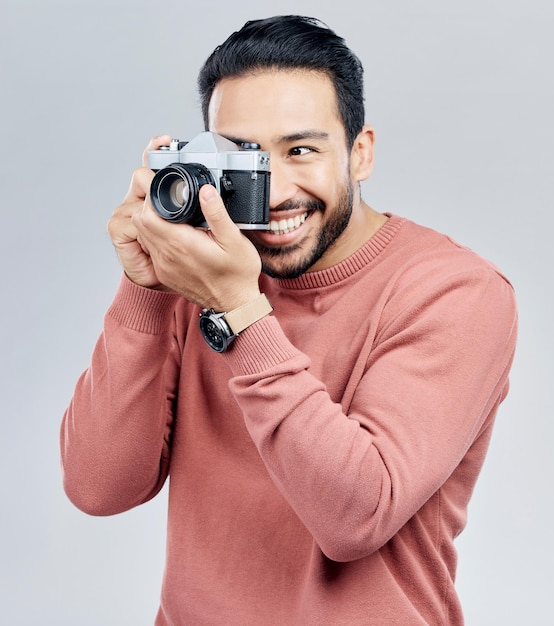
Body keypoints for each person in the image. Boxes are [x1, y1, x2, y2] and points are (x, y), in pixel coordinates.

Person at [60, 15, 518, 626]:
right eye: (243, 157)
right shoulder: (201, 273)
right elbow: (98, 486)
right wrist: (145, 284)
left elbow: (356, 516)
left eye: (301, 150)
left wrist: (240, 311)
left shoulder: (457, 293)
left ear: (360, 153)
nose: (272, 192)